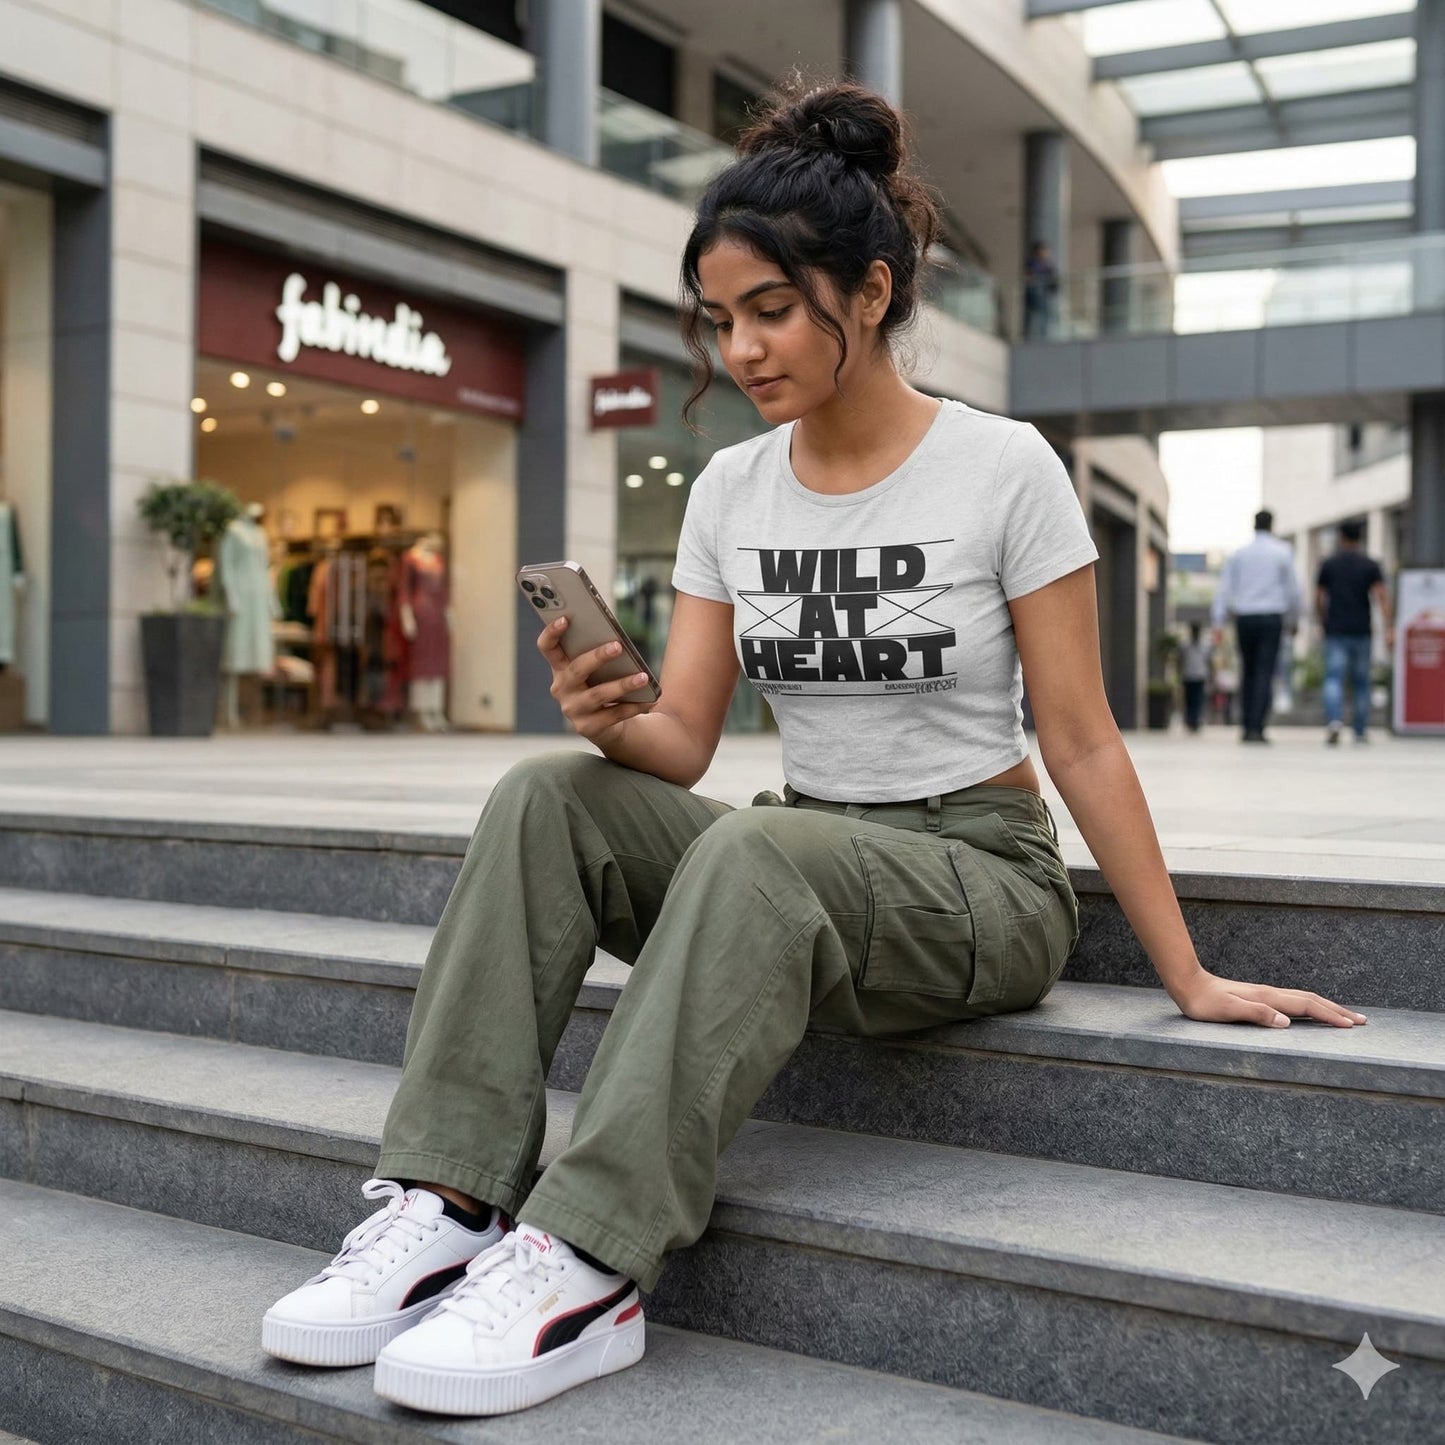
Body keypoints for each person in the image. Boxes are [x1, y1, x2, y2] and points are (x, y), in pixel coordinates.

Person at [259, 80, 1368, 1419]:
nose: (742, 349)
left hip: (978, 879)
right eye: (719, 319)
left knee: (767, 849)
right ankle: (446, 1202)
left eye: (771, 310)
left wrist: (1184, 970)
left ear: (873, 291)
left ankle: (592, 1257)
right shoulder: (734, 488)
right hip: (804, 856)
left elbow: (1079, 737)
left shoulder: (1004, 468)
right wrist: (607, 709)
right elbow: (681, 742)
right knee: (548, 796)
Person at [1211, 510, 1302, 743]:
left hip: (1245, 618)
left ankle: (1246, 724)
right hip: (1272, 617)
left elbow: (1224, 588)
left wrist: (1218, 621)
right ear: (1272, 525)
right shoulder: (1282, 552)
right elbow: (1293, 590)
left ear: (1253, 525)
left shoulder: (1240, 554)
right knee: (1265, 672)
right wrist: (1294, 619)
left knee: (1248, 671)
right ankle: (1257, 727)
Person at [1317, 518, 1393, 744]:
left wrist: (1323, 620)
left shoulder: (1329, 564)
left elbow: (1319, 598)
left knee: (1333, 678)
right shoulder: (1369, 564)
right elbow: (1381, 597)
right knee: (1361, 682)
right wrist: (1389, 627)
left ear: (1341, 537)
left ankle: (1334, 721)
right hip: (1362, 629)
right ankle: (1359, 730)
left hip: (1336, 629)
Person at [1022, 240, 1059, 339]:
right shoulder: (1032, 263)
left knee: (1046, 316)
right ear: (1038, 251)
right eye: (1044, 251)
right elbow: (1030, 276)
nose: (1046, 253)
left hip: (1044, 294)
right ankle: (1029, 336)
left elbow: (1053, 281)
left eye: (1047, 251)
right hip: (1034, 293)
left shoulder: (1048, 265)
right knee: (1032, 316)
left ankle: (1044, 335)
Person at [1179, 623, 1210, 733]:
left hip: (1200, 676)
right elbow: (1180, 659)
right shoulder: (1185, 645)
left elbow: (1208, 661)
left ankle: (1196, 721)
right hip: (1188, 676)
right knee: (1189, 700)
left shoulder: (1205, 645)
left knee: (1198, 700)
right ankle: (1189, 721)